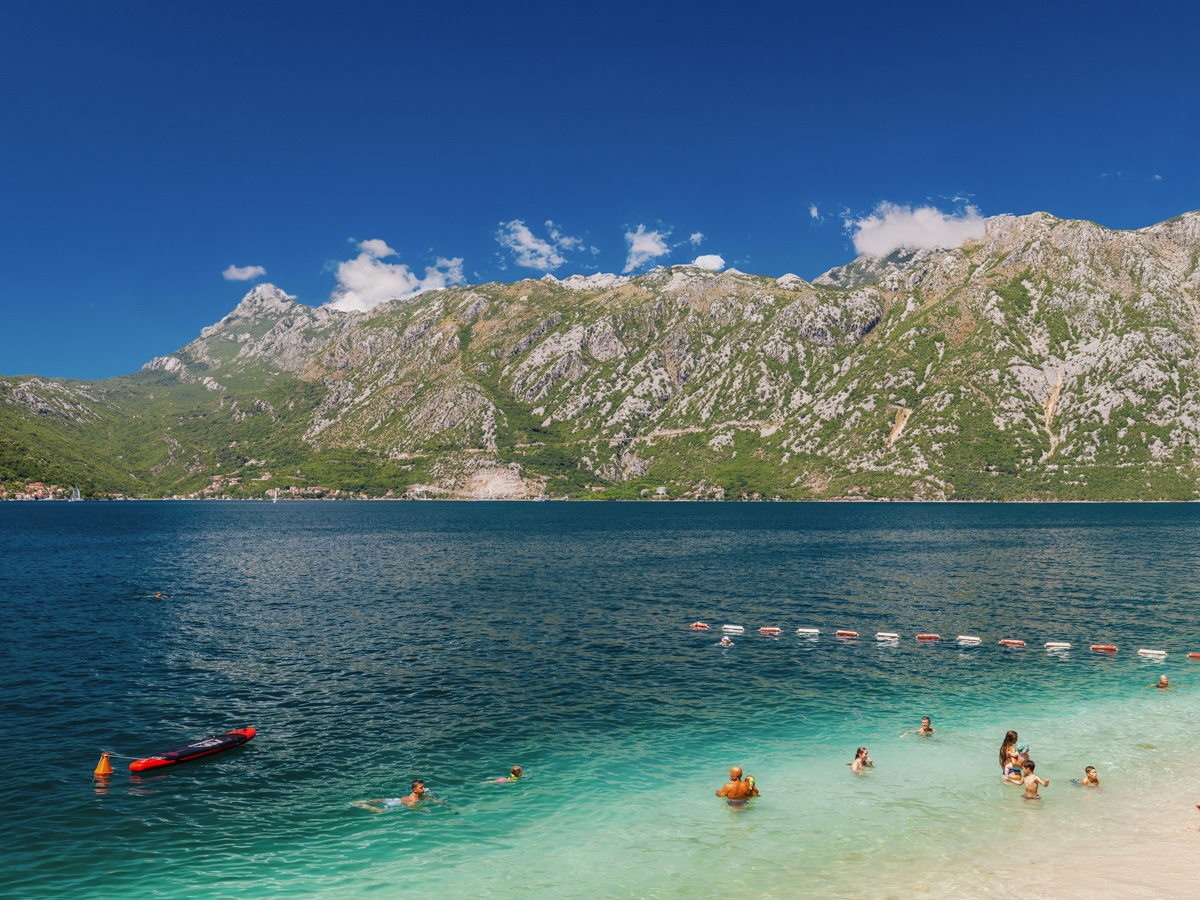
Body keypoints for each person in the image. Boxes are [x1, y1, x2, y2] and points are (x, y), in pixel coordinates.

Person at [352, 779, 428, 812]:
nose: (423, 789)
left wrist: (437, 802)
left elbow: (427, 798)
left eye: (423, 787)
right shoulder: (413, 799)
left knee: (381, 800)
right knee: (381, 811)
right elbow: (411, 805)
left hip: (395, 799)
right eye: (421, 788)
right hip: (394, 803)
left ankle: (363, 801)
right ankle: (365, 805)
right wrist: (422, 808)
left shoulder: (418, 795)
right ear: (415, 790)